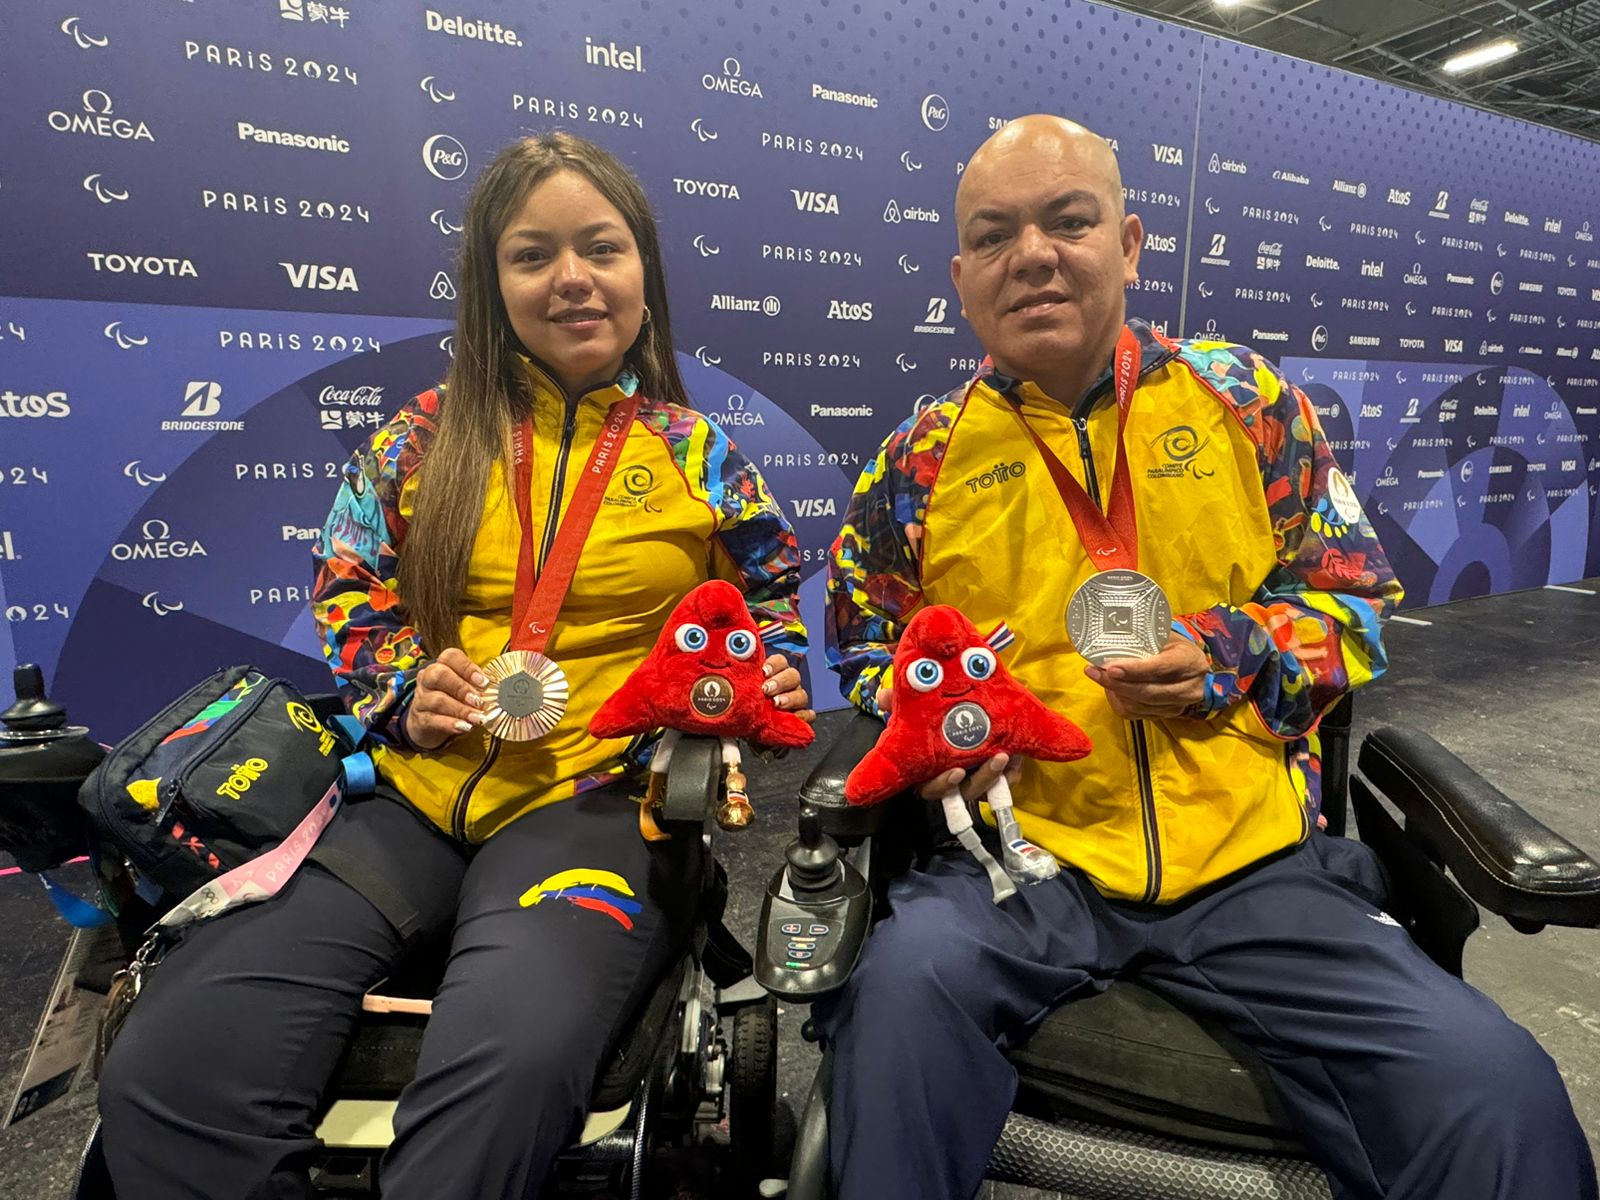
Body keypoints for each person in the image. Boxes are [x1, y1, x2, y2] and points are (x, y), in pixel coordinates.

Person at [818, 114, 1596, 1200]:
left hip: (1256, 864)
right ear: (961, 276)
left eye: (1068, 221)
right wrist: (930, 737)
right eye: (995, 236)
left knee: (1499, 1094)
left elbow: (1356, 611)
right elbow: (864, 648)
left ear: (1129, 244)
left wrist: (1227, 650)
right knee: (889, 1017)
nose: (1032, 254)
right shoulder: (918, 462)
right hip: (1021, 863)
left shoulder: (1246, 403)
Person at [97, 132, 811, 1199]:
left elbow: (766, 599)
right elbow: (349, 592)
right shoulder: (414, 442)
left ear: (642, 279)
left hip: (595, 801)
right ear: (492, 286)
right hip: (409, 801)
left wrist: (764, 677)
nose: (571, 278)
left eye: (600, 249)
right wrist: (398, 686)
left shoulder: (698, 453)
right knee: (172, 1067)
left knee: (506, 1064)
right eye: (533, 255)